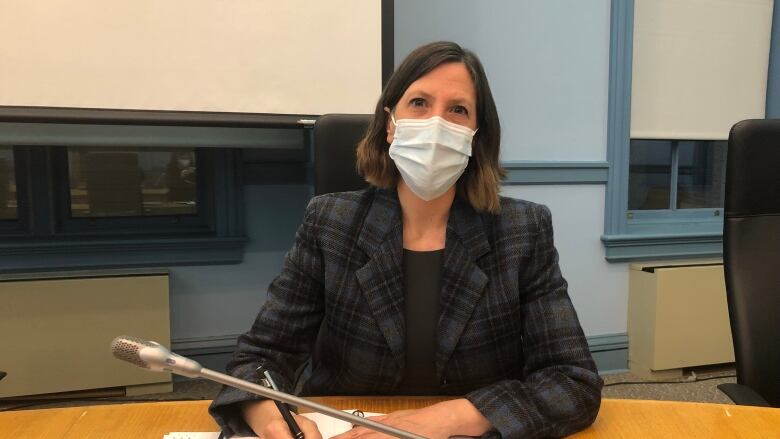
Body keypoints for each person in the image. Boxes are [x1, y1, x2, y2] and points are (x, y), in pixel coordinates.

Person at [209, 41, 602, 439]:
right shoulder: (330, 222)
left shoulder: (523, 229)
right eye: (419, 103)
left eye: (458, 110)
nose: (436, 124)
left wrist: (449, 419)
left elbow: (572, 380)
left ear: (475, 136)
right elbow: (261, 357)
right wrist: (271, 418)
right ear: (390, 123)